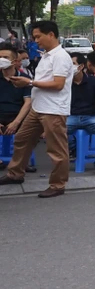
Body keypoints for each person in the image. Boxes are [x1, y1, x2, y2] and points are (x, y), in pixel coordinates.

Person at [0, 20, 73, 197]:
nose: (36, 41)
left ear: (51, 35)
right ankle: (16, 173)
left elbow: (58, 84)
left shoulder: (61, 57)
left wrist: (30, 82)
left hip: (53, 110)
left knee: (56, 150)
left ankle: (57, 185)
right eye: (34, 37)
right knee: (22, 139)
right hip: (38, 107)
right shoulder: (46, 55)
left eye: (38, 37)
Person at [66, 52, 95, 175]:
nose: (69, 67)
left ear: (81, 66)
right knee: (54, 130)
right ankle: (72, 151)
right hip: (71, 117)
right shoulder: (65, 83)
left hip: (91, 118)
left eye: (73, 64)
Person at [0, 43, 32, 170]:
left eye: (5, 57)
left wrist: (16, 122)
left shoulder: (24, 79)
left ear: (14, 61)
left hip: (18, 115)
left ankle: (22, 161)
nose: (1, 60)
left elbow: (28, 102)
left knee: (30, 128)